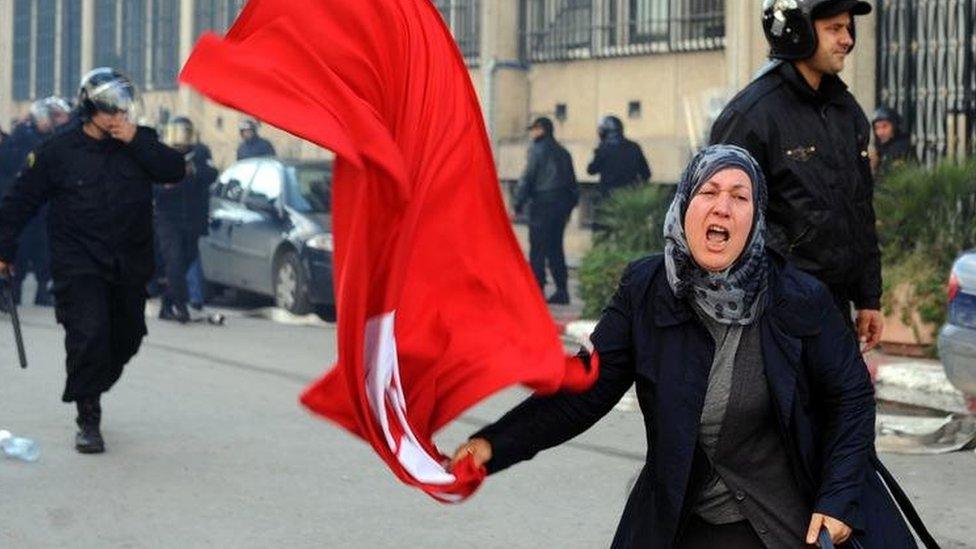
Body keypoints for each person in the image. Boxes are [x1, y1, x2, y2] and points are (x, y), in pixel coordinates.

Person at [452, 145, 926, 549]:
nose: (722, 207)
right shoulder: (646, 289)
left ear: (755, 219)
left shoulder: (799, 298)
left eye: (740, 197)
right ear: (684, 206)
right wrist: (493, 443)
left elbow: (851, 398)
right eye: (709, 192)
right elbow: (587, 388)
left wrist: (837, 498)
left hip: (792, 519)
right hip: (687, 517)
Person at [0, 67, 185, 454]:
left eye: (123, 108)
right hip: (78, 263)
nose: (118, 116)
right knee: (89, 335)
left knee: (128, 337)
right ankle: (88, 416)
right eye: (110, 109)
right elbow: (20, 202)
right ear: (89, 109)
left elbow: (174, 169)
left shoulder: (139, 142)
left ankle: (93, 383)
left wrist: (138, 141)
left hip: (129, 264)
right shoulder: (57, 152)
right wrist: (5, 250)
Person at [710, 0, 884, 351]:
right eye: (834, 28)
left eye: (849, 28)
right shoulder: (751, 116)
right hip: (772, 312)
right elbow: (722, 220)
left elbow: (860, 209)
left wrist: (869, 298)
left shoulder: (845, 111)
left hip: (833, 310)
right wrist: (783, 283)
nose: (847, 39)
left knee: (849, 405)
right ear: (797, 30)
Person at [8, 96, 75, 307]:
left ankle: (42, 291)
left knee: (43, 252)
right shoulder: (23, 137)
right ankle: (14, 292)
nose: (51, 122)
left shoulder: (54, 138)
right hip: (27, 206)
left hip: (45, 208)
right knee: (21, 250)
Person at [154, 116, 218, 322]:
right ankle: (181, 306)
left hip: (192, 219)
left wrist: (194, 171)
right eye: (177, 132)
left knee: (186, 260)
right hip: (168, 219)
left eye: (185, 132)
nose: (181, 139)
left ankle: (167, 302)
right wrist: (165, 185)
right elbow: (150, 184)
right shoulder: (161, 155)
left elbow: (212, 173)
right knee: (174, 261)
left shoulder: (200, 153)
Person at [513, 116, 579, 305]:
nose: (531, 133)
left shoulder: (537, 150)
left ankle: (536, 291)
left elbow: (527, 178)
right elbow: (573, 185)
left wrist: (518, 203)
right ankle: (562, 291)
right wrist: (568, 207)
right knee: (556, 248)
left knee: (538, 250)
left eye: (533, 129)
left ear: (541, 129)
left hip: (542, 204)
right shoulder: (564, 152)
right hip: (560, 206)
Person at [586, 115, 652, 198]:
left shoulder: (604, 149)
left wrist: (597, 153)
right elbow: (646, 174)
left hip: (609, 198)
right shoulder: (634, 147)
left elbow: (591, 170)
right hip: (630, 196)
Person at [870, 106, 912, 177]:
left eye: (885, 126)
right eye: (877, 128)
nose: (880, 132)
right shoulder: (883, 146)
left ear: (894, 126)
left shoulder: (900, 147)